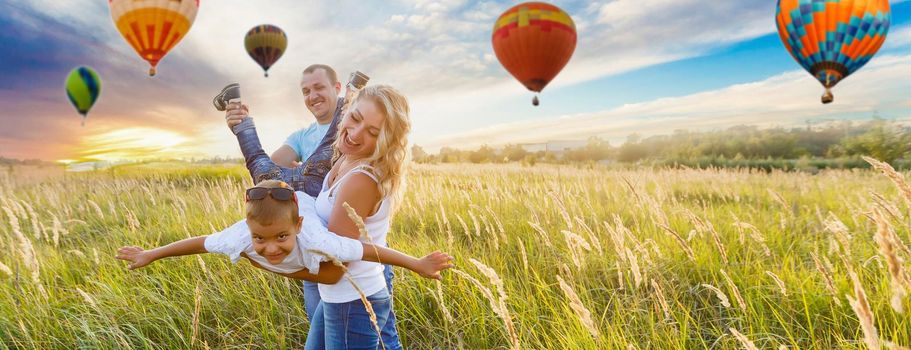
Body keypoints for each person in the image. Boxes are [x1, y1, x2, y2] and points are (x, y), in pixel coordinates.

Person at [227, 84, 413, 349]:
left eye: (372, 132)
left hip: (353, 298)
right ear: (346, 110)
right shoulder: (346, 158)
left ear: (386, 141)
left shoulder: (360, 180)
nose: (355, 133)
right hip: (341, 296)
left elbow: (333, 271)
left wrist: (266, 262)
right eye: (355, 118)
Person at [115, 179, 453, 282]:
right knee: (261, 165)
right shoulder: (238, 236)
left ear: (297, 229)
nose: (271, 247)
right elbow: (200, 243)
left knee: (306, 175)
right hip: (282, 201)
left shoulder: (315, 238)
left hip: (302, 199)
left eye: (281, 237)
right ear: (248, 229)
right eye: (259, 238)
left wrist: (417, 264)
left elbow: (368, 250)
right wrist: (151, 254)